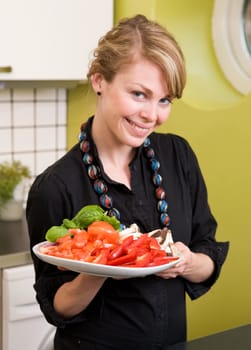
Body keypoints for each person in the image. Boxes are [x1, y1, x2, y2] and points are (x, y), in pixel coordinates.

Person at [26, 14, 229, 350]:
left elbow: (207, 253)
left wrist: (184, 262)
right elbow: (57, 306)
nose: (152, 115)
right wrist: (100, 266)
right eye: (139, 94)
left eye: (164, 100)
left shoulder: (178, 156)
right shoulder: (56, 186)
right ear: (99, 80)